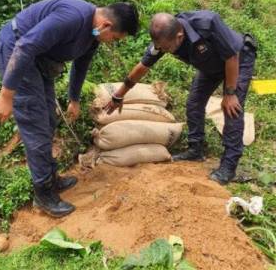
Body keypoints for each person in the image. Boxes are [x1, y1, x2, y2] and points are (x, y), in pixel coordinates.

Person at [0, 0, 140, 217]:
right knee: (36, 125)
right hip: (17, 51)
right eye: (115, 38)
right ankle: (43, 194)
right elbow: (25, 46)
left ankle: (51, 179)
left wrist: (74, 99)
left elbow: (81, 65)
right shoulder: (73, 17)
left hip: (39, 61)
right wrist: (6, 95)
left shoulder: (93, 35)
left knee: (49, 121)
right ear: (106, 25)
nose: (111, 42)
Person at [104, 11, 257, 185]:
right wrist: (119, 95)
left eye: (168, 48)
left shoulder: (207, 23)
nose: (164, 51)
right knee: (194, 102)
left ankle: (228, 166)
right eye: (161, 47)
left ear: (179, 36)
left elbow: (231, 56)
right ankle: (196, 149)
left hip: (238, 59)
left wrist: (229, 94)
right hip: (210, 65)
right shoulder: (164, 40)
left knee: (231, 108)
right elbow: (143, 66)